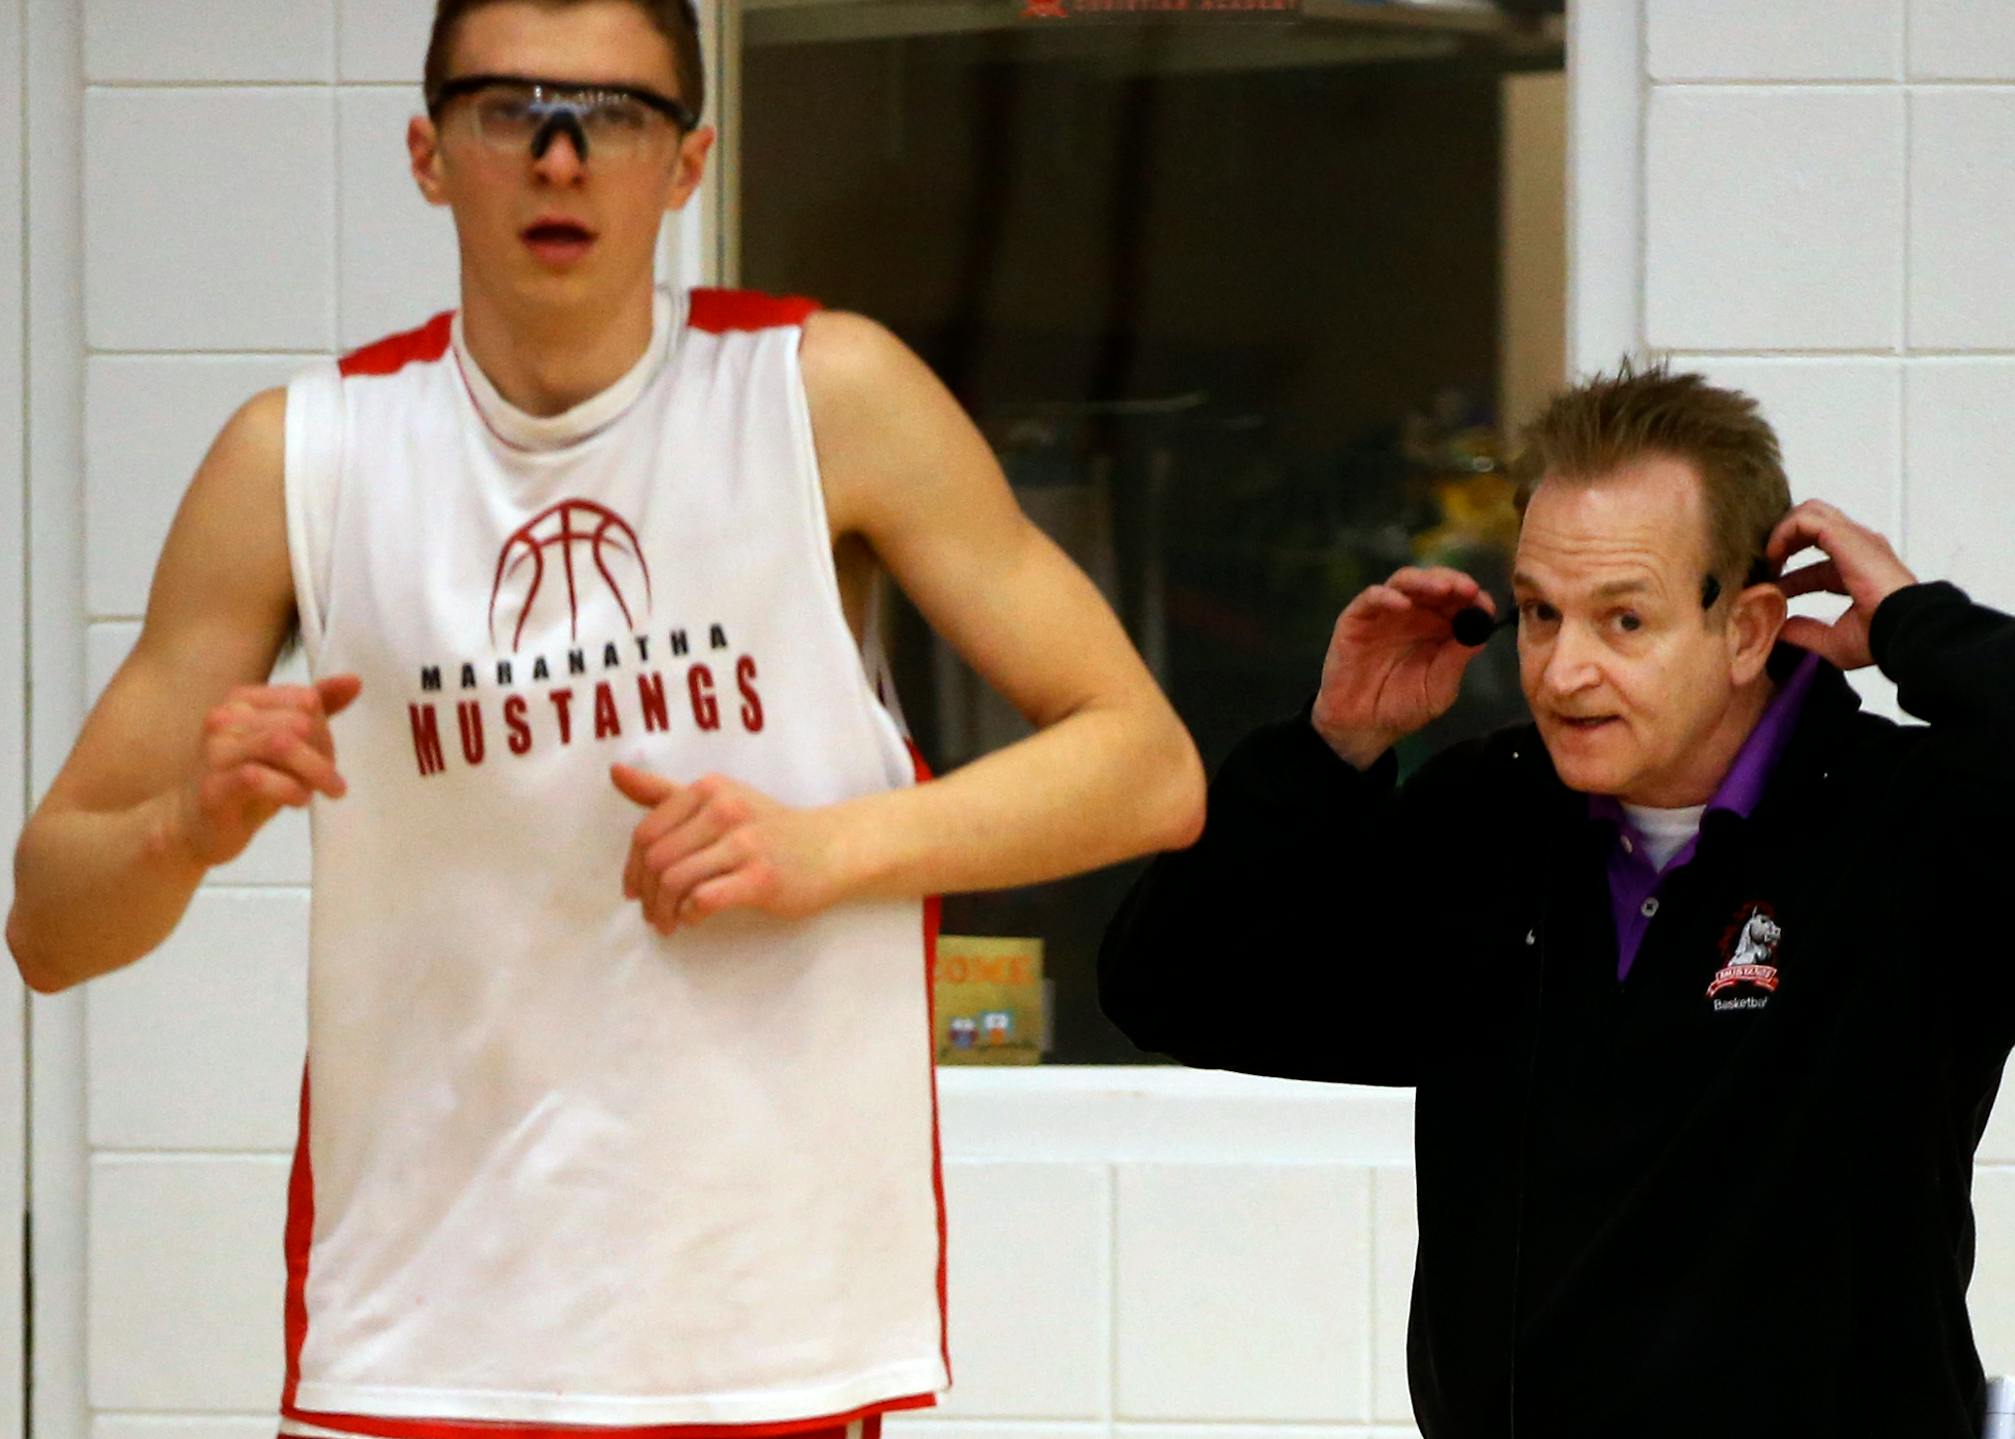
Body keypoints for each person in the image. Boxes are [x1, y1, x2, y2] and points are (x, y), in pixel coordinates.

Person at [6, 2, 1205, 1437]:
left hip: (766, 1332)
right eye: (510, 107)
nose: (561, 156)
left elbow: (1147, 765)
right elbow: (50, 923)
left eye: (614, 115)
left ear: (688, 161)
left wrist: (829, 847)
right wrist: (183, 827)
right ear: (428, 150)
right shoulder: (298, 459)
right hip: (419, 1339)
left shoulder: (826, 396)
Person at [1097, 362, 2015, 1437]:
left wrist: (1919, 627)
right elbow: (1169, 986)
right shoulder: (1491, 818)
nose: (1563, 672)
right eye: (1539, 614)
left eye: (1623, 621)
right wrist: (1328, 753)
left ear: (1747, 628)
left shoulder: (1905, 828)